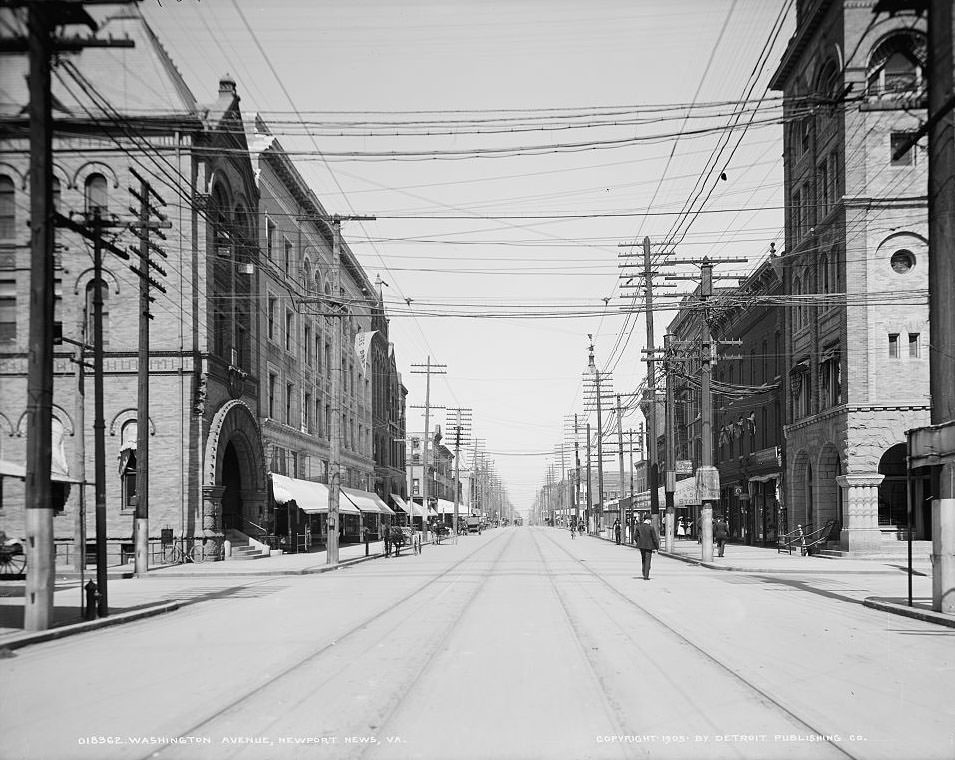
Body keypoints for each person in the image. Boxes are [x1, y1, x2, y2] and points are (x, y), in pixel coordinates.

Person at [634, 516, 661, 580]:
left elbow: (635, 536)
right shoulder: (651, 528)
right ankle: (646, 576)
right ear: (648, 520)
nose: (651, 521)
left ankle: (644, 572)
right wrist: (657, 547)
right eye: (650, 520)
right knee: (648, 560)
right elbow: (654, 538)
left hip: (641, 546)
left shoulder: (639, 527)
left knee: (643, 559)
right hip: (649, 546)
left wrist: (639, 542)